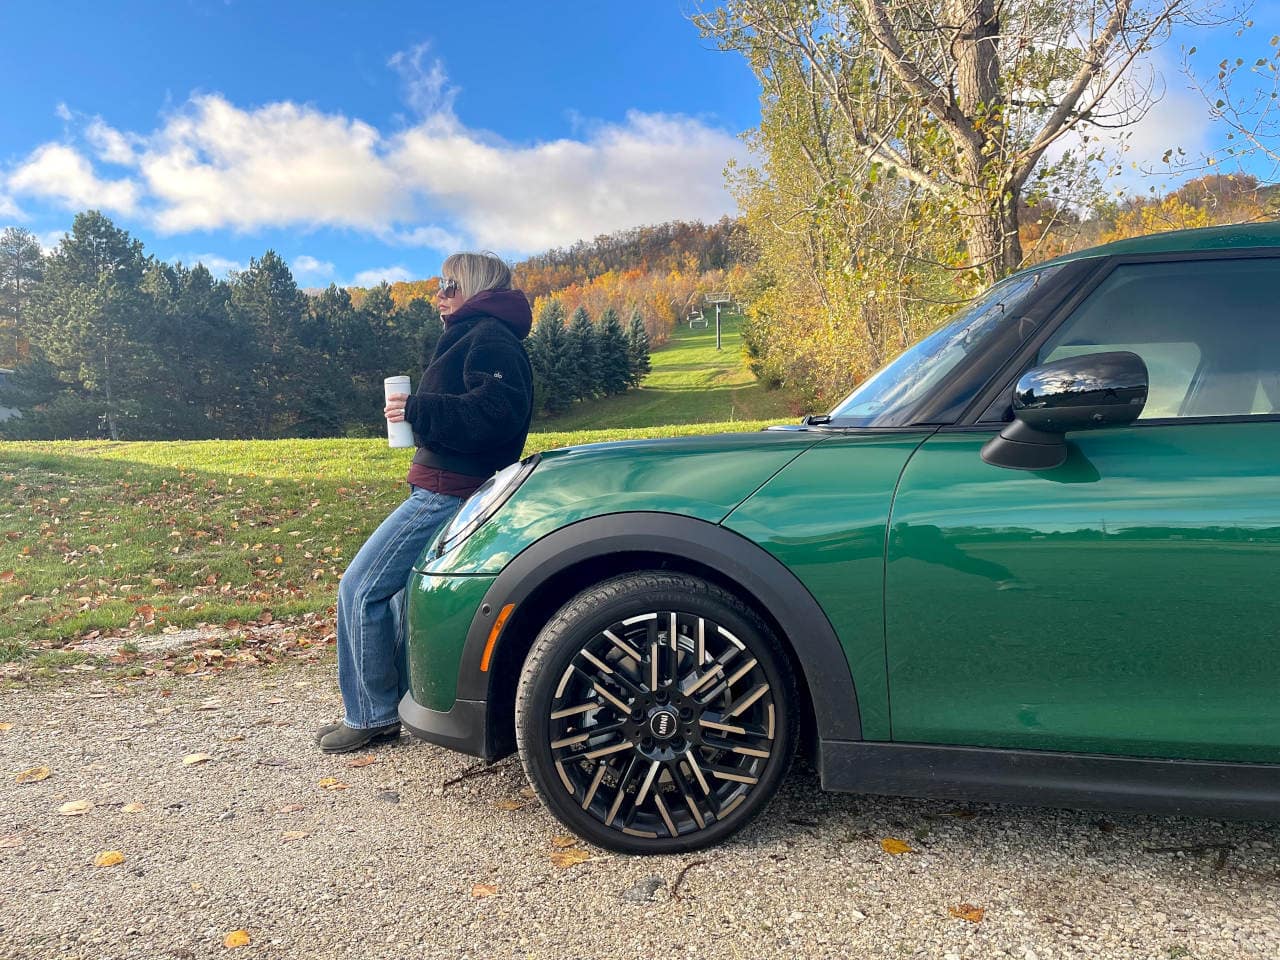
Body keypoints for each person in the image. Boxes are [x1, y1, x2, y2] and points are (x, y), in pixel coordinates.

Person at [317, 252, 534, 753]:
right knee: (394, 597)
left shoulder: (490, 337)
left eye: (448, 285)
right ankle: (390, 706)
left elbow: (498, 413)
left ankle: (370, 715)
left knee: (360, 588)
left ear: (474, 288)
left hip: (449, 488)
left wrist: (417, 408)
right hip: (444, 482)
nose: (438, 295)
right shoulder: (478, 333)